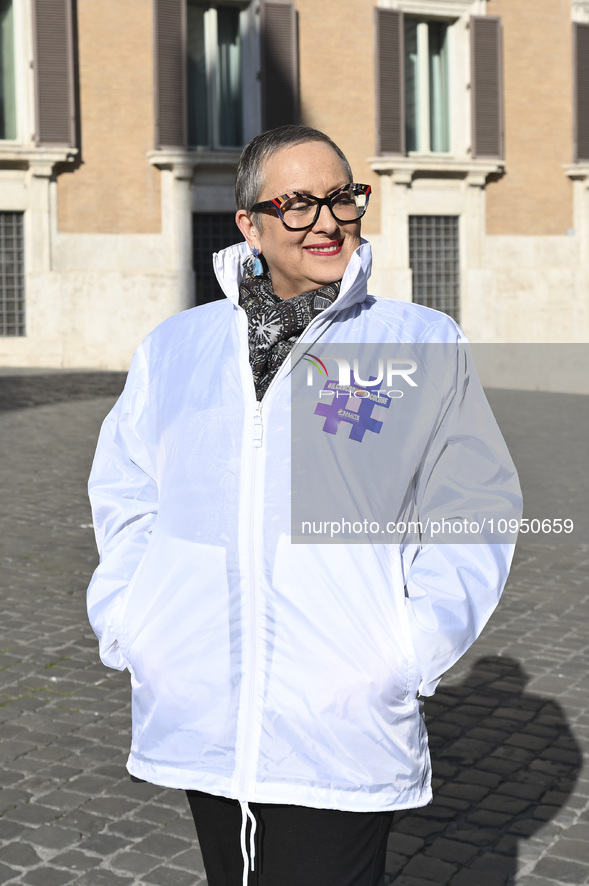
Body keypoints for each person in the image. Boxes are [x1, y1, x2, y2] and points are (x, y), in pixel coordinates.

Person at [87, 125, 522, 886]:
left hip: (339, 711)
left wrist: (405, 650)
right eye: (295, 204)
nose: (325, 220)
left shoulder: (415, 341)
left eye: (340, 198)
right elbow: (128, 492)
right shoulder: (176, 348)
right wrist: (131, 621)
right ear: (248, 224)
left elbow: (474, 504)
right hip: (204, 703)